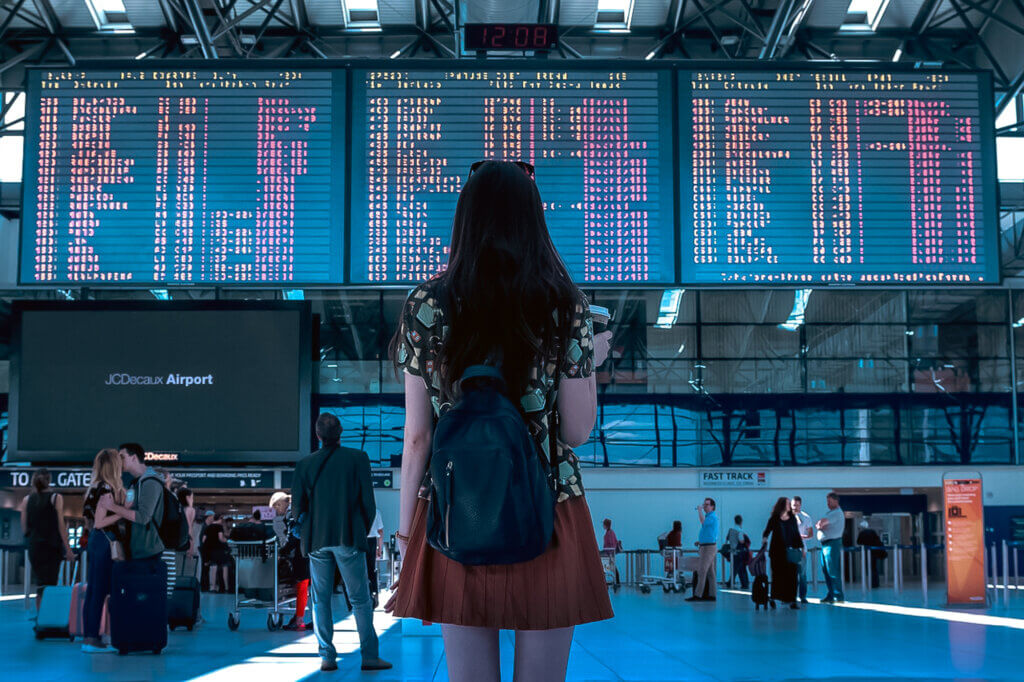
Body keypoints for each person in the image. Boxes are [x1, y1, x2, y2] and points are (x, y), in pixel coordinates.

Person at [386, 160, 614, 682]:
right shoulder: (565, 305)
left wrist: (405, 535)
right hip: (548, 508)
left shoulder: (427, 303)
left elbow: (418, 435)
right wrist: (587, 364)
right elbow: (577, 432)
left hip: (454, 509)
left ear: (465, 219)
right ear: (533, 221)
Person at [291, 412, 390, 673]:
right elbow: (369, 504)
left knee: (320, 599)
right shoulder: (358, 459)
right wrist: (359, 530)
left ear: (317, 434)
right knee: (360, 599)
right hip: (348, 537)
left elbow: (296, 509)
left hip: (317, 542)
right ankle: (369, 656)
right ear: (341, 431)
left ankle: (327, 657)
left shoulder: (304, 465)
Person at [80, 449, 126, 653]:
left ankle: (89, 636)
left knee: (93, 591)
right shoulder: (106, 489)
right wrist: (123, 512)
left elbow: (90, 522)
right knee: (100, 591)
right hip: (106, 541)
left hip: (95, 541)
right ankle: (92, 639)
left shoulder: (92, 488)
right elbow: (100, 522)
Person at [98, 444, 166, 569]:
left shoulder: (150, 482)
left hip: (147, 552)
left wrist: (112, 507)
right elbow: (128, 512)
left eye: (122, 457)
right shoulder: (134, 483)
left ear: (134, 457)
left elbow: (143, 517)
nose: (119, 461)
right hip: (136, 551)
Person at [19, 468, 75, 603]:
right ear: (49, 481)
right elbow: (61, 526)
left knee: (40, 583)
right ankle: (47, 618)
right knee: (51, 583)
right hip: (52, 547)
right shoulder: (56, 497)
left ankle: (41, 619)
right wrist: (68, 549)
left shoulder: (26, 499)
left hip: (35, 547)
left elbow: (24, 528)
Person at [270, 492, 311, 631]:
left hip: (300, 554)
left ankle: (299, 620)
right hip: (309, 551)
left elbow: (294, 536)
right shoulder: (301, 510)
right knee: (304, 587)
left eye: (276, 508)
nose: (276, 511)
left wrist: (282, 552)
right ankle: (299, 617)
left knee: (301, 586)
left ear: (280, 504)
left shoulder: (291, 514)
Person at [762, 497, 804, 610]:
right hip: (776, 552)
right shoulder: (774, 518)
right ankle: (775, 597)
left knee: (792, 576)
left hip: (790, 551)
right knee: (777, 576)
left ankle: (792, 600)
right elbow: (767, 531)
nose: (789, 505)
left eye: (789, 504)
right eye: (787, 504)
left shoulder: (792, 519)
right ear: (782, 505)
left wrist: (801, 548)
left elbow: (796, 533)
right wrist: (765, 539)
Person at [686, 497, 719, 603]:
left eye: (707, 505)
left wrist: (699, 510)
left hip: (708, 548)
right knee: (710, 572)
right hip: (706, 546)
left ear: (712, 507)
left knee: (702, 570)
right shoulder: (709, 517)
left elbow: (703, 523)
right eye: (704, 504)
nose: (704, 506)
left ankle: (698, 595)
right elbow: (709, 533)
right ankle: (712, 595)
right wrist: (700, 541)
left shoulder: (712, 517)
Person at [816, 492, 845, 604]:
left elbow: (822, 523)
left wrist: (820, 525)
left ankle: (838, 597)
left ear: (836, 501)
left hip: (832, 544)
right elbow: (821, 523)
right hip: (826, 545)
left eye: (829, 501)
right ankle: (831, 595)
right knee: (827, 571)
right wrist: (820, 524)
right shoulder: (831, 513)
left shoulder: (836, 513)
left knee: (832, 571)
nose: (827, 503)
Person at [792, 496, 814, 604]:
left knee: (802, 574)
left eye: (796, 505)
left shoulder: (806, 517)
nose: (795, 507)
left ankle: (803, 596)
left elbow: (811, 534)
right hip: (790, 550)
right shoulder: (786, 517)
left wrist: (802, 537)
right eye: (793, 505)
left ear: (800, 505)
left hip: (801, 550)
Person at [201, 514, 231, 592]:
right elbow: (220, 538)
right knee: (224, 567)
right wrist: (227, 540)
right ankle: (226, 587)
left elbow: (203, 540)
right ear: (220, 519)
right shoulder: (219, 527)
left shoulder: (208, 527)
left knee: (213, 568)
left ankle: (212, 587)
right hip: (220, 550)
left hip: (211, 550)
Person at [856, 520, 886, 589]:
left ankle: (869, 582)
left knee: (869, 568)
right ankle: (875, 583)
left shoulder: (862, 533)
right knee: (874, 568)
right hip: (874, 552)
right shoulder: (873, 532)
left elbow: (858, 542)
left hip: (866, 553)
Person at [725, 515, 750, 590]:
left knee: (736, 568)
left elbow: (727, 539)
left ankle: (732, 582)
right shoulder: (740, 531)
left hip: (732, 551)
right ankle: (744, 583)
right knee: (740, 568)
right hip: (739, 552)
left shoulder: (731, 530)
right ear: (741, 521)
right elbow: (741, 541)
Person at [366, 509, 384, 609]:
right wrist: (379, 548)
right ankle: (375, 596)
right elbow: (380, 531)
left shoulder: (354, 508)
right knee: (371, 571)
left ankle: (361, 598)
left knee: (358, 571)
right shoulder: (376, 511)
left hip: (358, 542)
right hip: (371, 542)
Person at [601, 518, 621, 587]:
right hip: (609, 552)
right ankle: (617, 581)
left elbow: (612, 543)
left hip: (609, 552)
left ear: (606, 525)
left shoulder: (610, 533)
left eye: (603, 524)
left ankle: (606, 581)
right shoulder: (610, 532)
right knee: (611, 567)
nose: (603, 526)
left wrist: (607, 552)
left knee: (609, 566)